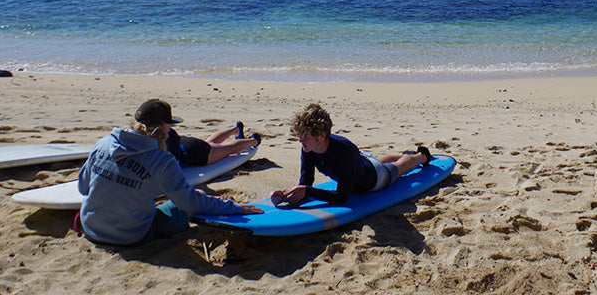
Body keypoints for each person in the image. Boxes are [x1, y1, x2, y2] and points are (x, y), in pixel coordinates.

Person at [78, 99, 262, 246]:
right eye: (169, 126)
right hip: (130, 236)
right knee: (196, 194)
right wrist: (235, 208)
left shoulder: (103, 143)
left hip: (91, 227)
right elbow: (190, 203)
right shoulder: (161, 161)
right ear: (163, 128)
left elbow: (83, 186)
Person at [270, 103, 432, 207]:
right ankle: (402, 154)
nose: (300, 140)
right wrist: (287, 195)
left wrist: (307, 191)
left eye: (305, 136)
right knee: (370, 162)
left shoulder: (344, 152)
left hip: (374, 180)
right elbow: (306, 182)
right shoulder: (309, 147)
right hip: (360, 164)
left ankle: (421, 156)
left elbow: (342, 197)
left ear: (322, 135)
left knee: (398, 167)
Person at [165, 121, 261, 168]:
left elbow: (174, 165)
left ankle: (254, 141)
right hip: (185, 142)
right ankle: (236, 130)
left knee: (229, 148)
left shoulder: (161, 136)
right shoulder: (169, 132)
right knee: (210, 144)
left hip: (195, 152)